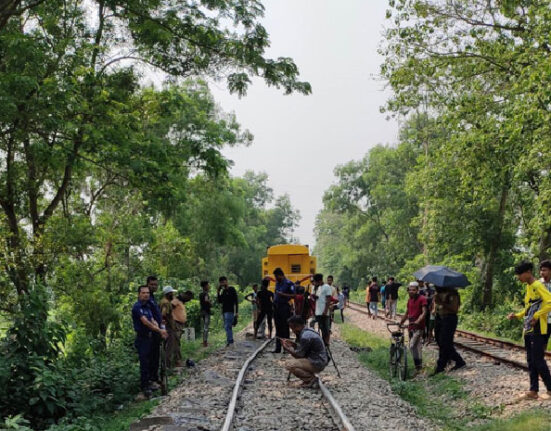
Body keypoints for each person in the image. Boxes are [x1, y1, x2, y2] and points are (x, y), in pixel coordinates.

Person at [507, 261, 551, 400]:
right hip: (528, 327)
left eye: (520, 274)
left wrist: (537, 316)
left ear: (527, 273)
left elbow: (549, 301)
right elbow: (529, 307)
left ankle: (550, 388)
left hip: (538, 327)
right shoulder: (529, 287)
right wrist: (518, 315)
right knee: (530, 360)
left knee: (538, 359)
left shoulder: (538, 285)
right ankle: (533, 390)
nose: (518, 277)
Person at [132, 285, 168, 400]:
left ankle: (152, 382)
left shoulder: (148, 306)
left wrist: (159, 328)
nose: (146, 294)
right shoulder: (137, 307)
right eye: (143, 293)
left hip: (151, 337)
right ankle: (144, 387)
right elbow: (145, 322)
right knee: (144, 363)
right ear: (139, 294)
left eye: (147, 293)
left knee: (152, 360)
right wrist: (159, 330)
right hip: (142, 338)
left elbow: (152, 320)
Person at [282, 315, 328, 388]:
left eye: (292, 328)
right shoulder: (308, 331)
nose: (292, 330)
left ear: (296, 326)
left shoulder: (305, 336)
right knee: (292, 363)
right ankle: (310, 378)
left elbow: (299, 355)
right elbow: (305, 348)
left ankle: (311, 379)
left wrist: (287, 348)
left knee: (289, 364)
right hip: (319, 360)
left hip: (317, 362)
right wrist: (293, 345)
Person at [433, 286, 466, 374]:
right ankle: (454, 360)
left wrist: (442, 303)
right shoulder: (438, 294)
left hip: (449, 319)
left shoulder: (453, 295)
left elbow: (454, 309)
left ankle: (441, 366)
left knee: (445, 342)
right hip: (440, 318)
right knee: (439, 340)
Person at [400, 282, 427, 374]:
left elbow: (424, 312)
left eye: (413, 290)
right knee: (416, 347)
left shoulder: (422, 299)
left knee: (412, 346)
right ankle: (419, 367)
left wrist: (418, 321)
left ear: (417, 290)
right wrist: (400, 322)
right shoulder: (409, 300)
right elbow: (406, 313)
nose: (411, 291)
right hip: (411, 327)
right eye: (410, 290)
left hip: (419, 327)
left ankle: (418, 367)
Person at [146, 275, 164, 389]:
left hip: (157, 331)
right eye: (152, 284)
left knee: (156, 355)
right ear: (147, 284)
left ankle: (155, 376)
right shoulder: (146, 298)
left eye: (155, 285)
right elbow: (148, 317)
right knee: (151, 356)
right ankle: (150, 379)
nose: (154, 286)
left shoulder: (153, 298)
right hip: (151, 332)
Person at [272, 268, 295, 353]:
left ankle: (286, 348)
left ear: (281, 275)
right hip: (276, 308)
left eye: (276, 276)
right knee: (278, 328)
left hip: (284, 307)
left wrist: (283, 294)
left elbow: (293, 295)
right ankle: (278, 348)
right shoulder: (277, 283)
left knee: (285, 328)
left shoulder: (289, 283)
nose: (275, 278)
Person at [159, 286, 179, 368]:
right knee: (169, 347)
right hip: (168, 327)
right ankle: (168, 366)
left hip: (166, 326)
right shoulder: (166, 303)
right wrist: (168, 323)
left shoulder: (162, 301)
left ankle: (165, 365)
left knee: (166, 346)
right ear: (168, 294)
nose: (173, 294)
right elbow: (163, 314)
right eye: (172, 293)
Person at [217, 276, 239, 347]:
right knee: (227, 326)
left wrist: (237, 312)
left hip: (230, 311)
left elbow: (236, 301)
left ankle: (230, 341)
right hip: (224, 311)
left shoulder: (232, 289)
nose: (222, 284)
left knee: (227, 326)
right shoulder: (223, 291)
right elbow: (220, 301)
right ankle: (229, 341)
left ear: (226, 281)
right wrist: (218, 292)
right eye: (221, 283)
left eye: (223, 282)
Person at [313, 273, 332, 346]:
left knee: (326, 329)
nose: (315, 283)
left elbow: (328, 299)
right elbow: (318, 298)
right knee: (321, 328)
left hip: (324, 312)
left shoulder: (326, 287)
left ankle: (326, 343)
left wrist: (325, 310)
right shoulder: (318, 287)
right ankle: (323, 343)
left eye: (316, 281)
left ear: (320, 281)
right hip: (318, 312)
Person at [199, 281, 212, 347]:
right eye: (208, 285)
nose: (208, 286)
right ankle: (205, 342)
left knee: (204, 326)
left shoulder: (200, 294)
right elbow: (206, 300)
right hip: (206, 311)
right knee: (206, 327)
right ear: (205, 286)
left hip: (202, 311)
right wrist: (210, 303)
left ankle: (204, 340)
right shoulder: (206, 294)